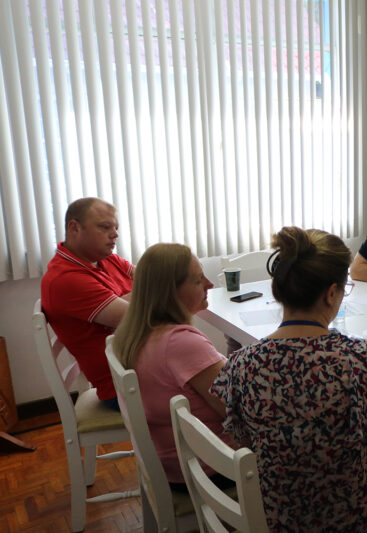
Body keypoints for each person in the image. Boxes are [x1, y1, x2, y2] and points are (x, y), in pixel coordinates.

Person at [212, 226, 367, 532]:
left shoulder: (242, 365)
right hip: (358, 523)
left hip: (277, 521)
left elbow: (249, 441)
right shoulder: (362, 359)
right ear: (331, 293)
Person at [112, 243, 234, 489]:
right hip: (206, 466)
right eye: (199, 281)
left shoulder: (137, 332)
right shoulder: (181, 344)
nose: (210, 285)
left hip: (172, 459)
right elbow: (235, 410)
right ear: (170, 292)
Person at [41, 197, 134, 408]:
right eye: (105, 227)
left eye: (116, 227)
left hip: (143, 367)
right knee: (217, 394)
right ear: (74, 228)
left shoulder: (105, 257)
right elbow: (137, 317)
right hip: (124, 385)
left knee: (220, 375)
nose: (115, 234)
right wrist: (152, 290)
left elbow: (152, 279)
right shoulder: (66, 279)